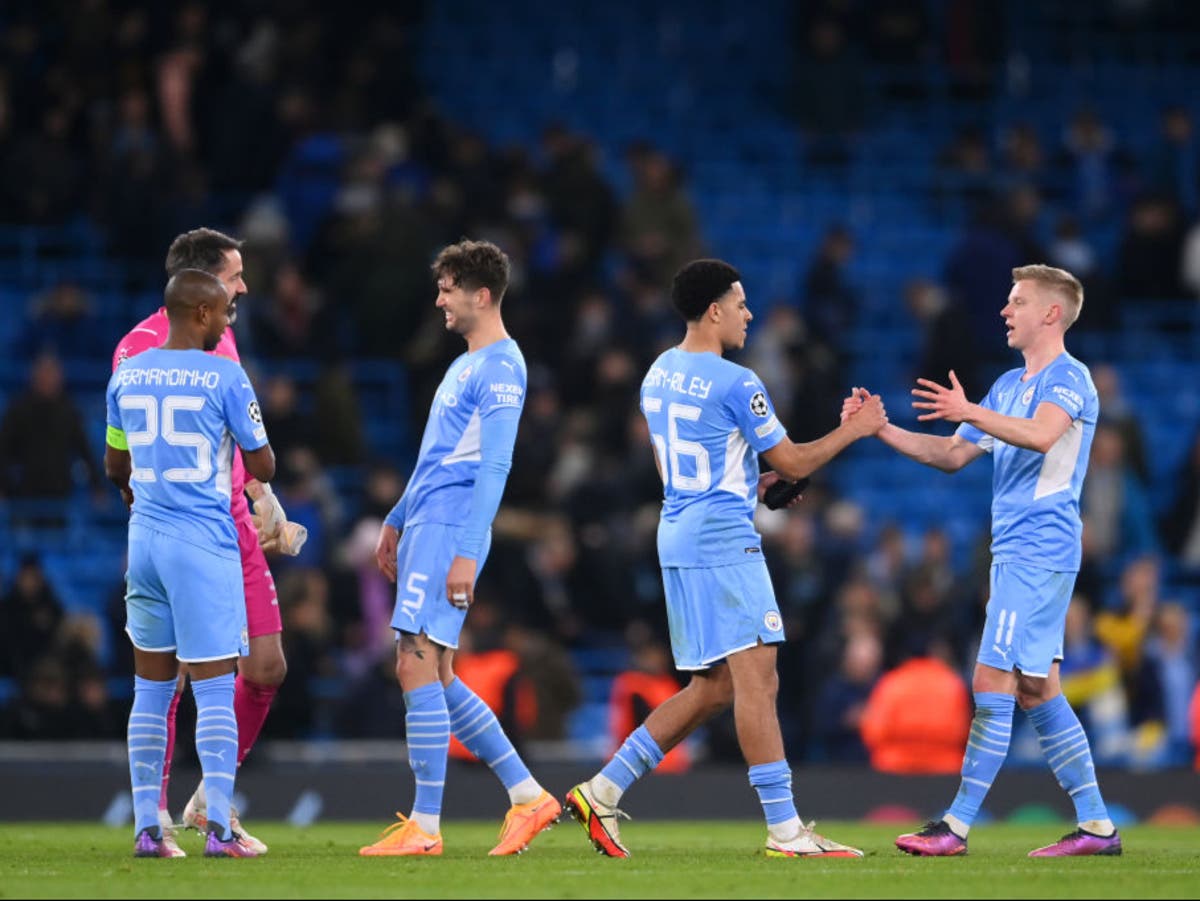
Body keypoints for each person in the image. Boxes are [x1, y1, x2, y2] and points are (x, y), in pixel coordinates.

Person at [564, 258, 885, 860]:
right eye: (740, 303)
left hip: (678, 531)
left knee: (712, 689)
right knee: (759, 680)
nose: (748, 313)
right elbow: (792, 463)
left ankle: (601, 791)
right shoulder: (739, 382)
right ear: (714, 310)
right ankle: (786, 831)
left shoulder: (657, 373)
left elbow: (674, 464)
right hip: (722, 541)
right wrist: (856, 429)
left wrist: (744, 480)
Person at [844, 264, 1122, 857]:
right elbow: (951, 454)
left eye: (1017, 301)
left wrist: (970, 411)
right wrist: (882, 429)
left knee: (990, 677)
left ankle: (956, 825)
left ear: (1051, 313)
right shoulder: (1006, 386)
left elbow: (1045, 436)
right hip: (1014, 552)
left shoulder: (1070, 379)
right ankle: (1098, 826)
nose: (1005, 310)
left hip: (1039, 548)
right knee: (1037, 689)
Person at [358, 239, 561, 858]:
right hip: (427, 519)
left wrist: (468, 552)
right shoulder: (463, 364)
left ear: (480, 294)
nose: (439, 299)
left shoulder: (502, 366)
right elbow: (435, 457)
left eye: (448, 288)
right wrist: (396, 517)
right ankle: (528, 796)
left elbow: (494, 467)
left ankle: (425, 826)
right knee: (439, 674)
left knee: (414, 661)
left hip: (452, 527)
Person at [110, 228, 303, 856]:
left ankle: (150, 826)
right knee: (213, 685)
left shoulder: (131, 370)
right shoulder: (217, 365)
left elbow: (118, 467)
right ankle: (214, 822)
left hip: (156, 538)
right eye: (231, 285)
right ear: (202, 304)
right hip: (205, 536)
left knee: (160, 684)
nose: (239, 296)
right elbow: (262, 459)